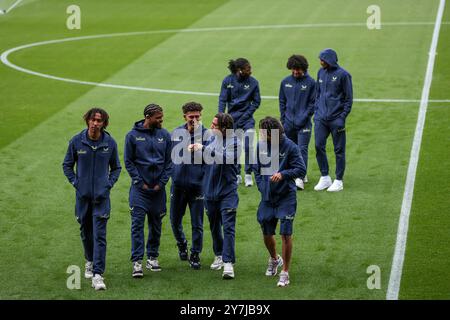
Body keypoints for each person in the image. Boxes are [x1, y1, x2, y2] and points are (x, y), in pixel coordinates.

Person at [62, 108, 122, 291]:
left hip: (102, 199)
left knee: (100, 235)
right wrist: (76, 183)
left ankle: (98, 274)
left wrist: (108, 185)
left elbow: (117, 168)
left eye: (100, 121)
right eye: (93, 120)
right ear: (87, 121)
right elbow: (67, 165)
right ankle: (89, 259)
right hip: (83, 198)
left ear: (104, 123)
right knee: (86, 232)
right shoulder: (76, 141)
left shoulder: (109, 142)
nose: (96, 123)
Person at [254, 117, 305, 287]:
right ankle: (275, 259)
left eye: (262, 131)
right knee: (267, 233)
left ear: (271, 134)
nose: (259, 134)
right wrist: (262, 187)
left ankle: (285, 272)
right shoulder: (260, 146)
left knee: (285, 233)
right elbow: (256, 168)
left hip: (286, 198)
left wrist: (283, 174)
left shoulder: (290, 146)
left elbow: (301, 169)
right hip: (267, 197)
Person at [124, 104, 172, 278]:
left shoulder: (165, 135)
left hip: (159, 190)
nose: (161, 120)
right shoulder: (132, 136)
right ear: (147, 117)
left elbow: (169, 162)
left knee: (156, 225)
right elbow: (128, 162)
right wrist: (139, 182)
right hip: (140, 191)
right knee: (137, 225)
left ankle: (152, 257)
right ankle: (137, 262)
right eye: (158, 118)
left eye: (161, 117)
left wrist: (162, 182)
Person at [190, 113, 240, 279]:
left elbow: (225, 159)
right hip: (210, 191)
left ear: (224, 128)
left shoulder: (235, 142)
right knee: (214, 225)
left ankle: (228, 263)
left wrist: (203, 148)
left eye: (214, 125)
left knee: (228, 226)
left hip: (228, 192)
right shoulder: (211, 140)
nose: (210, 127)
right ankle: (219, 254)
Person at [170, 101, 207, 269]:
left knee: (197, 223)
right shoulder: (176, 133)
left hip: (197, 187)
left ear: (201, 115)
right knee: (174, 220)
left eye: (197, 116)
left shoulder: (207, 135)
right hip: (178, 186)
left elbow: (210, 161)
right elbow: (169, 158)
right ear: (184, 116)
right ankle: (181, 243)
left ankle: (195, 253)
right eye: (191, 116)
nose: (194, 119)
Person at [314, 48, 353, 192]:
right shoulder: (320, 72)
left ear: (330, 60)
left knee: (339, 150)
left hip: (336, 119)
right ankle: (325, 177)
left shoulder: (343, 75)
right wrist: (316, 112)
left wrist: (342, 118)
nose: (320, 62)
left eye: (322, 59)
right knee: (318, 146)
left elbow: (348, 99)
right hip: (320, 119)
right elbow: (318, 94)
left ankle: (338, 180)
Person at [218, 58, 261, 187]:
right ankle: (236, 174)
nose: (251, 71)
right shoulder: (227, 81)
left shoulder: (253, 83)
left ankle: (248, 174)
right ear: (239, 70)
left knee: (248, 145)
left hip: (247, 120)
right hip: (231, 120)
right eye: (248, 68)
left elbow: (257, 101)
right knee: (234, 148)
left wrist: (247, 114)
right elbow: (222, 99)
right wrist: (221, 116)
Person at [279, 54, 315, 190]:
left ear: (303, 68)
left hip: (304, 124)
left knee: (302, 149)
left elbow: (313, 104)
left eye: (298, 69)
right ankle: (292, 174)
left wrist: (303, 118)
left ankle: (300, 177)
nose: (295, 72)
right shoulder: (285, 82)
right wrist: (283, 119)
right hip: (288, 124)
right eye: (293, 69)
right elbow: (282, 102)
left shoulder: (311, 83)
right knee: (289, 149)